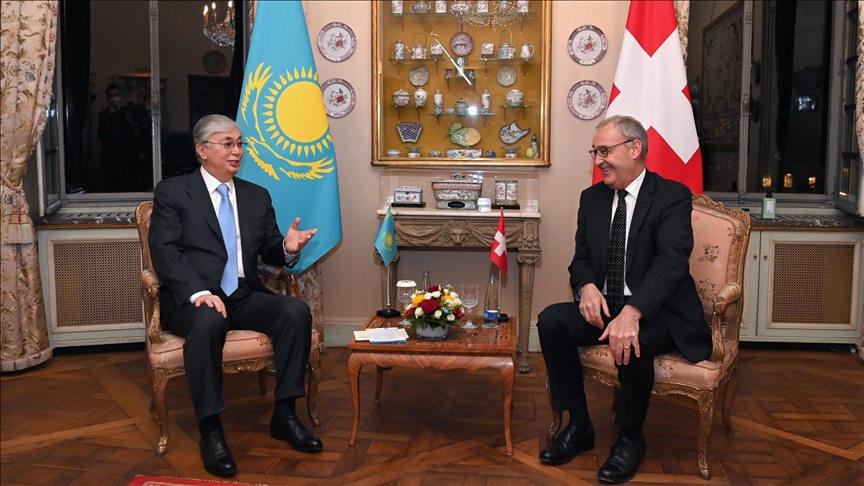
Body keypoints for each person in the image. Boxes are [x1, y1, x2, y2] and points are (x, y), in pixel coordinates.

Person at [537, 115, 711, 483]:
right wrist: (586, 287)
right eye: (595, 152)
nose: (598, 160)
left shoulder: (671, 196)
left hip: (660, 310)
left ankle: (630, 438)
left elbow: (671, 263)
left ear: (634, 149)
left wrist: (633, 311)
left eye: (604, 150)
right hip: (608, 304)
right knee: (551, 321)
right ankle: (579, 425)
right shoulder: (592, 199)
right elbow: (581, 259)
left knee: (633, 339)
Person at [149, 114, 322, 477]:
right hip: (193, 299)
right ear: (202, 150)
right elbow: (166, 253)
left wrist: (287, 247)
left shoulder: (256, 195)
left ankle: (285, 415)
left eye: (240, 143)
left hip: (242, 294)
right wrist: (197, 291)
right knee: (209, 321)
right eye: (227, 143)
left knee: (294, 312)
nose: (237, 151)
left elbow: (270, 248)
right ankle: (211, 431)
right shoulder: (173, 192)